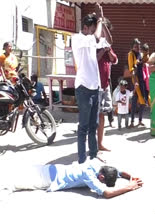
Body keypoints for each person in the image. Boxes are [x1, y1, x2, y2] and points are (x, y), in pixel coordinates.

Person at [72, 5, 113, 164]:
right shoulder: (78, 38)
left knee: (93, 125)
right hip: (83, 89)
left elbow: (108, 41)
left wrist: (103, 23)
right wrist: (100, 20)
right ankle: (82, 160)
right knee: (83, 127)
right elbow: (96, 37)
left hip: (95, 89)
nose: (96, 30)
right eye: (94, 28)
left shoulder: (92, 39)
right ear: (85, 27)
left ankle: (94, 156)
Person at [0, 158, 143, 200]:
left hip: (49, 169)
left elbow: (118, 171)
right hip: (44, 178)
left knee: (11, 175)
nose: (100, 183)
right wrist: (130, 186)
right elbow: (107, 194)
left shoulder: (98, 165)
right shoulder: (89, 175)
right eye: (102, 182)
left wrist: (131, 177)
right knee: (9, 185)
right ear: (101, 177)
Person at [96, 22, 118, 151]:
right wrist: (103, 50)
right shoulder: (93, 44)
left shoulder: (106, 45)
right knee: (95, 116)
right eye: (105, 31)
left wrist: (108, 51)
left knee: (102, 115)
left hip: (105, 85)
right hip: (95, 86)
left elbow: (114, 60)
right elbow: (93, 59)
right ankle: (94, 145)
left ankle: (100, 144)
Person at [128, 38, 148, 128]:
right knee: (135, 100)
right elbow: (131, 69)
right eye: (135, 46)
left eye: (138, 46)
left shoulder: (140, 54)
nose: (137, 48)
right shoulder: (131, 54)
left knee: (143, 101)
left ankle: (140, 120)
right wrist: (135, 82)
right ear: (132, 47)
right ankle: (132, 121)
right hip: (135, 79)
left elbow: (145, 60)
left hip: (142, 79)